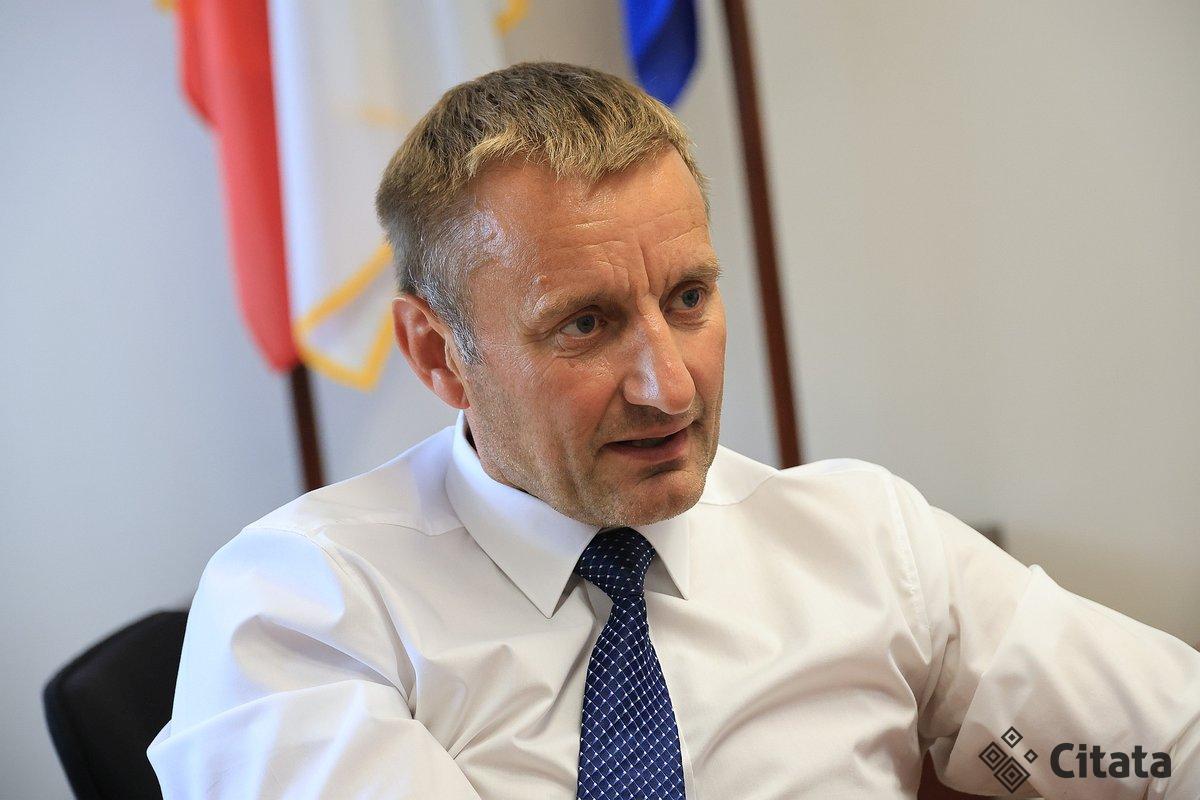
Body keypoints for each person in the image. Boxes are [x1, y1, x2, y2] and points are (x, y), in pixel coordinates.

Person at [148, 62, 1200, 799]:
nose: (670, 386)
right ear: (437, 354)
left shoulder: (867, 540)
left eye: (689, 298)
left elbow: (1162, 745)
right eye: (585, 323)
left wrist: (1046, 763)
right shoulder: (306, 605)